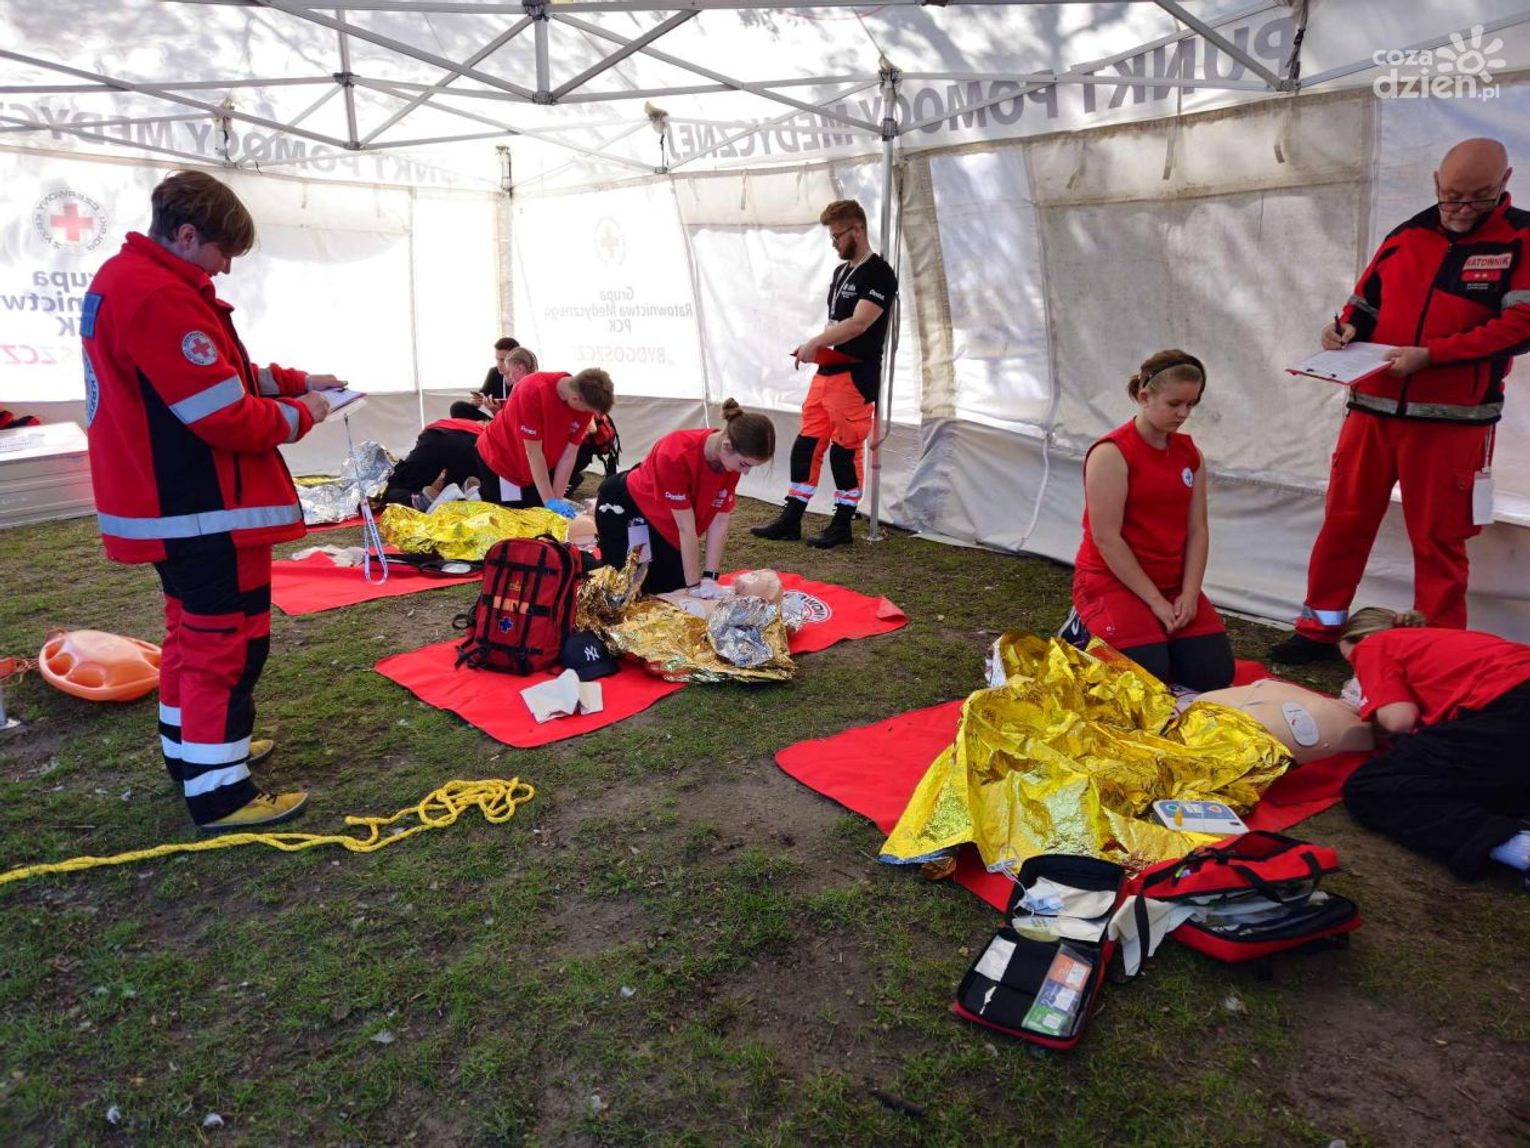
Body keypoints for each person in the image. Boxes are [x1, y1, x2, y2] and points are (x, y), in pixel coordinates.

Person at [82, 170, 343, 830]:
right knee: (226, 645)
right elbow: (222, 413)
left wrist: (293, 381)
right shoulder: (159, 297)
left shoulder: (134, 281)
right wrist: (304, 412)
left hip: (175, 507)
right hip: (200, 506)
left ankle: (193, 753)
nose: (225, 269)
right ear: (187, 234)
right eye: (223, 252)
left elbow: (215, 373)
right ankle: (220, 791)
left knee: (190, 635)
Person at [1270, 138, 1530, 664]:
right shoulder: (1407, 233)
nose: (1461, 208)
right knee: (1343, 522)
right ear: (1436, 182)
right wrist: (1343, 329)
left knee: (1438, 541)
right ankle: (1318, 629)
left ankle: (1435, 653)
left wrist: (1432, 356)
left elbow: (1521, 326)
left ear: (1505, 182)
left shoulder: (1522, 239)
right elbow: (1363, 302)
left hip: (1453, 423)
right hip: (1371, 409)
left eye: (1478, 197)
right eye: (1451, 196)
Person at [1068, 350, 1234, 692]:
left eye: (1191, 404)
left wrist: (1189, 593)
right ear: (1145, 397)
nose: (1183, 414)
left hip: (1169, 579)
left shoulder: (1190, 454)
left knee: (1213, 674)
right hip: (1112, 579)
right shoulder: (1111, 453)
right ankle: (1083, 627)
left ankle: (1151, 632)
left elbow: (1198, 530)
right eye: (1174, 404)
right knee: (1145, 677)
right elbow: (1106, 538)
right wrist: (1155, 601)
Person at [1338, 607, 1530, 888]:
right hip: (1510, 715)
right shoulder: (1450, 640)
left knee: (1371, 786)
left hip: (1511, 710)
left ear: (1362, 638)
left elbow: (1399, 721)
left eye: (1353, 665)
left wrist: (1372, 712)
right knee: (1485, 786)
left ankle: (1517, 847)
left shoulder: (1374, 645)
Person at [751, 198, 897, 549]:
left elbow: (859, 323)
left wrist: (815, 342)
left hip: (855, 376)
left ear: (857, 230)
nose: (833, 243)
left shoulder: (879, 273)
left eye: (837, 236)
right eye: (832, 237)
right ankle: (792, 516)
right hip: (828, 370)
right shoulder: (841, 271)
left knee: (844, 450)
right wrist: (818, 349)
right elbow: (837, 323)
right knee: (807, 443)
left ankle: (842, 522)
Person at [596, 398, 775, 595]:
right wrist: (693, 587)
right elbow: (685, 528)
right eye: (744, 465)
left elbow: (720, 519)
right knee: (625, 591)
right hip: (625, 507)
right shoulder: (675, 453)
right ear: (727, 446)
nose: (746, 472)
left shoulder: (731, 463)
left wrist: (710, 577)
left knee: (671, 595)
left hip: (667, 521)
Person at [476, 366, 613, 512]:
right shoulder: (532, 390)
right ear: (576, 398)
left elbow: (568, 455)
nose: (586, 414)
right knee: (505, 512)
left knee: (535, 512)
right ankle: (473, 493)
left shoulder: (584, 402)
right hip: (501, 458)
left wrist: (557, 499)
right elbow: (533, 452)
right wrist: (549, 501)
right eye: (586, 410)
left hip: (532, 467)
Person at [450, 336, 520, 421]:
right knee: (457, 407)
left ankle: (482, 428)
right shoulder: (494, 372)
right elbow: (482, 395)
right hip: (496, 420)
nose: (498, 364)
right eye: (497, 359)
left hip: (515, 422)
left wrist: (497, 412)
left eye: (503, 360)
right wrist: (476, 402)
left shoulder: (525, 378)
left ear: (516, 360)